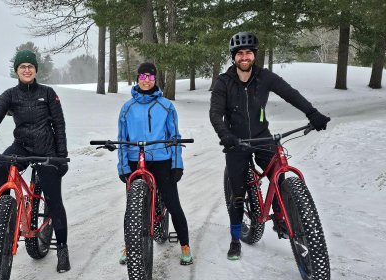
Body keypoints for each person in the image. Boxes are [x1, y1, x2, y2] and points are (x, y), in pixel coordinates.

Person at [209, 32, 330, 260]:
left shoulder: (265, 77)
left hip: (262, 137)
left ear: (254, 55)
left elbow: (290, 94)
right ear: (234, 57)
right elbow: (215, 113)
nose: (244, 57)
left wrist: (312, 113)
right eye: (240, 53)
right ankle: (236, 239)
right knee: (237, 195)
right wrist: (225, 135)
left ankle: (282, 218)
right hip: (236, 142)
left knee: (279, 176)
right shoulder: (223, 82)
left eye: (248, 53)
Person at [0, 50, 71, 273]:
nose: (27, 70)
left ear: (36, 70)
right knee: (0, 168)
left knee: (54, 200)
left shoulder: (48, 94)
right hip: (21, 146)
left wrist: (61, 156)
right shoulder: (10, 95)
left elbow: (59, 125)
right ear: (17, 71)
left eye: (30, 66)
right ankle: (5, 213)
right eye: (22, 67)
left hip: (46, 150)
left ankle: (61, 248)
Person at [117, 62, 192, 265]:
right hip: (135, 161)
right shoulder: (127, 108)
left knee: (172, 202)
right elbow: (122, 139)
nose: (146, 81)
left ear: (155, 79)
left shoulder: (166, 106)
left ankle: (184, 244)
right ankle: (130, 244)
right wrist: (123, 167)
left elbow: (175, 136)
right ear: (137, 78)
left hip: (161, 161)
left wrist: (177, 164)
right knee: (132, 208)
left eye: (150, 77)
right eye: (143, 76)